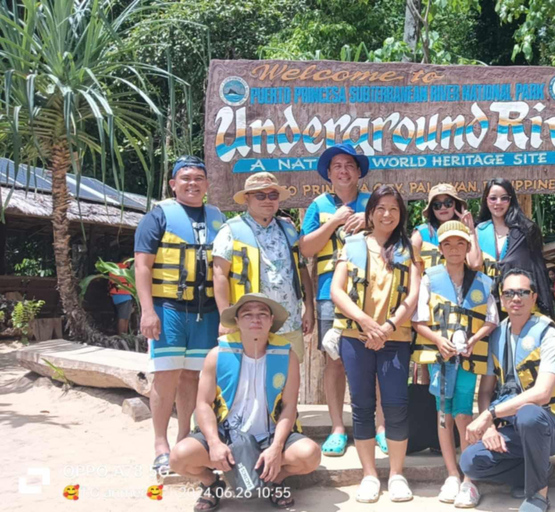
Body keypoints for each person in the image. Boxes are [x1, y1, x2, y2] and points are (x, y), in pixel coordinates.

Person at [169, 293, 321, 510]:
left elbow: (289, 406)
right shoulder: (217, 354)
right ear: (237, 321)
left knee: (310, 455)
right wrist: (213, 443)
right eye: (247, 314)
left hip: (269, 434)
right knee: (178, 457)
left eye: (262, 314)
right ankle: (212, 484)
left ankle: (275, 480)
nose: (255, 319)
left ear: (271, 321)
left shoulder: (287, 356)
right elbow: (202, 404)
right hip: (226, 434)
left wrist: (277, 447)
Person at [460, 268, 555, 512]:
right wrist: (491, 428)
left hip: (553, 423)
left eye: (523, 292)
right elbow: (486, 391)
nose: (516, 298)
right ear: (502, 299)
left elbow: (542, 394)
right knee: (470, 462)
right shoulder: (497, 335)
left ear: (534, 297)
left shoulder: (547, 333)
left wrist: (489, 416)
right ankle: (530, 473)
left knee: (529, 413)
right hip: (514, 425)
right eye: (509, 293)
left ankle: (538, 495)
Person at [134, 155, 226, 474]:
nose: (192, 183)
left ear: (206, 184)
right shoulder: (158, 216)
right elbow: (143, 265)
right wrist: (147, 311)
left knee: (194, 376)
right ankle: (161, 444)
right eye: (185, 178)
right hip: (168, 307)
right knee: (167, 375)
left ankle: (185, 438)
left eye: (198, 178)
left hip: (206, 310)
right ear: (173, 184)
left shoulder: (218, 218)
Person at [330, 185, 420, 503]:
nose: (387, 214)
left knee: (396, 407)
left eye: (394, 209)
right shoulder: (352, 244)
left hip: (395, 338)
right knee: (362, 406)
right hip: (357, 337)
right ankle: (370, 474)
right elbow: (337, 291)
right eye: (380, 208)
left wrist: (388, 325)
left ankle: (396, 474)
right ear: (370, 212)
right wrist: (367, 323)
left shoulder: (408, 249)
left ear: (401, 214)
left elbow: (412, 295)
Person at [299, 143, 380, 457]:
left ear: (358, 172)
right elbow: (306, 249)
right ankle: (337, 428)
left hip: (373, 293)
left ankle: (379, 427)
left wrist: (369, 221)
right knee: (334, 361)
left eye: (349, 165)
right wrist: (334, 221)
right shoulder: (317, 205)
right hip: (328, 293)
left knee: (374, 358)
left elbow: (394, 235)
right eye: (337, 166)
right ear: (328, 174)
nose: (343, 170)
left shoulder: (374, 203)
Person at [412, 220, 498, 508]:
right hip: (442, 358)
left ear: (468, 247)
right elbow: (419, 322)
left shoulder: (484, 282)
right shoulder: (430, 278)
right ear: (440, 249)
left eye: (460, 243)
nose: (454, 249)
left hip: (469, 360)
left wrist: (474, 339)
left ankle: (469, 478)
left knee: (463, 413)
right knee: (442, 412)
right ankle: (451, 473)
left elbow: (491, 320)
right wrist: (439, 340)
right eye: (447, 244)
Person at [212, 172, 314, 363]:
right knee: (249, 381)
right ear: (247, 199)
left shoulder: (289, 229)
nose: (267, 200)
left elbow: (301, 269)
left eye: (273, 195)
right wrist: (224, 318)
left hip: (290, 322)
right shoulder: (230, 230)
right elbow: (219, 275)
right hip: (249, 323)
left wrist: (309, 308)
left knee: (289, 382)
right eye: (260, 195)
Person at [475, 179, 554, 317]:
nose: (498, 203)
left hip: (517, 302)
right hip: (485, 303)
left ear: (511, 200)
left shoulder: (526, 230)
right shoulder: (478, 231)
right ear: (486, 200)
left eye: (504, 198)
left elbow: (538, 270)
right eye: (493, 198)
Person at [411, 183, 481, 273]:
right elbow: (411, 269)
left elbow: (475, 265)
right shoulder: (420, 234)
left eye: (448, 203)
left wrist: (470, 231)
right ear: (431, 209)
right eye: (437, 205)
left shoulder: (467, 232)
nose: (443, 207)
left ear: (456, 205)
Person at [109, 255, 134, 335]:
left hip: (115, 296)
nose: (130, 265)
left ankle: (124, 334)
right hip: (125, 296)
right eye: (129, 262)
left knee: (123, 317)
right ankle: (123, 335)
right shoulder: (127, 270)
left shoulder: (114, 269)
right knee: (124, 318)